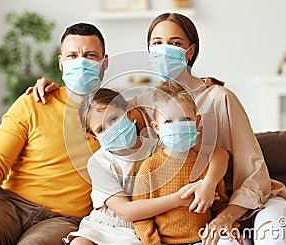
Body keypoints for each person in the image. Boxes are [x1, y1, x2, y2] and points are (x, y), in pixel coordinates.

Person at [29, 12, 286, 245]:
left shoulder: (220, 98)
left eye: (175, 43)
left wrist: (224, 216)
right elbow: (103, 108)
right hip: (187, 214)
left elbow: (253, 173)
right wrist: (54, 88)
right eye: (157, 43)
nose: (164, 49)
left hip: (239, 204)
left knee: (273, 232)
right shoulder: (144, 105)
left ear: (189, 52)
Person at [0, 23, 110, 245]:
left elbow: (162, 115)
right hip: (12, 205)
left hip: (62, 219)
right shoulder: (34, 103)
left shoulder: (117, 115)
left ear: (104, 62)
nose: (81, 63)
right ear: (61, 64)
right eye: (72, 56)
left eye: (90, 55)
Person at [63, 87, 201, 245]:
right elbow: (125, 212)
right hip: (104, 224)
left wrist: (209, 182)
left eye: (114, 119)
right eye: (101, 129)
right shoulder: (99, 163)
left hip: (140, 227)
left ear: (129, 113)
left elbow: (217, 154)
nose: (111, 129)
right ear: (95, 137)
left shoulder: (159, 148)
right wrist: (177, 200)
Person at [132, 80, 239, 245]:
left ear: (197, 122)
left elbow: (220, 204)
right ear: (156, 127)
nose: (178, 126)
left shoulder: (206, 165)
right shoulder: (149, 168)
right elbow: (140, 218)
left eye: (185, 119)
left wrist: (228, 226)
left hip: (203, 240)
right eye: (168, 122)